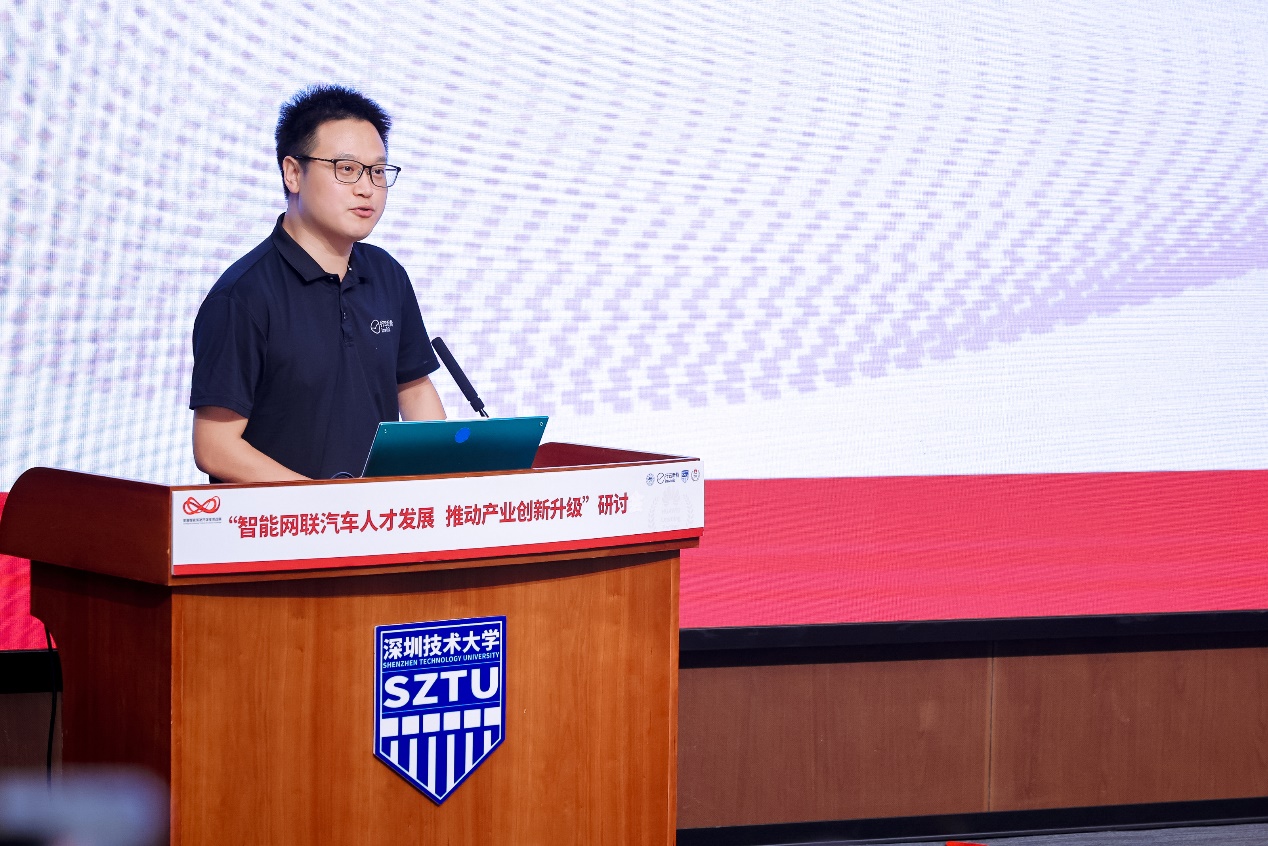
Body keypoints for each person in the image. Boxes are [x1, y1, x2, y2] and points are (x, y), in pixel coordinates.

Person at [189, 85, 445, 483]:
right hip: (283, 520)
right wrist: (322, 504)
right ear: (293, 173)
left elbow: (413, 390)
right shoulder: (244, 296)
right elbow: (215, 446)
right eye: (346, 169)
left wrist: (443, 474)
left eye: (378, 171)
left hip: (378, 515)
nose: (367, 188)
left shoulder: (387, 274)